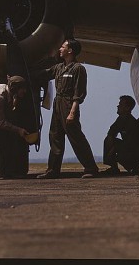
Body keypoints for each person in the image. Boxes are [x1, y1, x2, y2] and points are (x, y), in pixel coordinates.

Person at [35, 39, 99, 179]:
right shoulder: (59, 67)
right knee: (55, 137)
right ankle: (52, 170)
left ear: (70, 51)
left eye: (63, 46)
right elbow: (43, 74)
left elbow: (79, 93)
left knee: (76, 137)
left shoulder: (78, 69)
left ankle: (91, 168)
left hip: (69, 104)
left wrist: (72, 112)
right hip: (57, 103)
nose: (60, 49)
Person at [102, 95, 139, 175]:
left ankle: (134, 166)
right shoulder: (121, 119)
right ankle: (116, 168)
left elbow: (133, 144)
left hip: (137, 150)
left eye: (121, 104)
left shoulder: (131, 123)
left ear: (127, 108)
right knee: (108, 140)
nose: (118, 106)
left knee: (120, 154)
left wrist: (112, 152)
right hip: (129, 147)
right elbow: (111, 133)